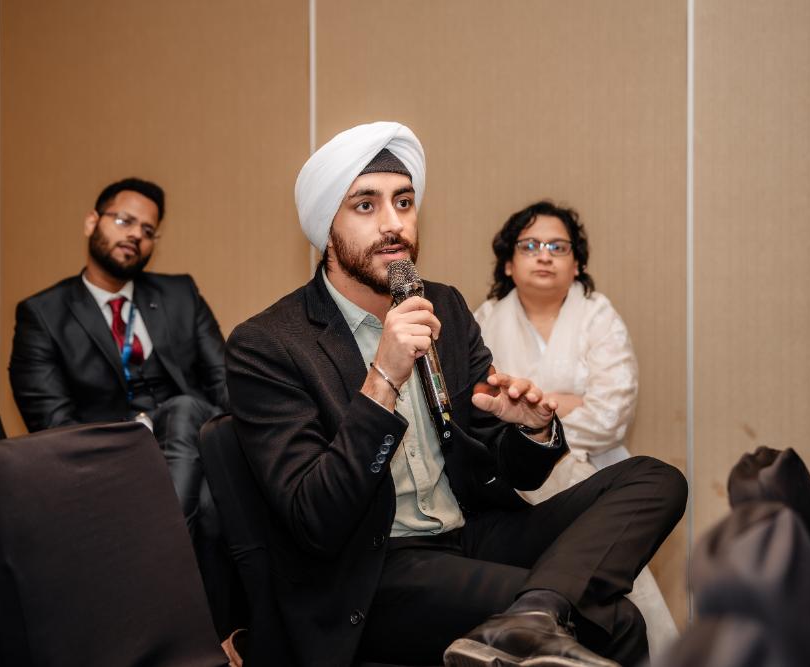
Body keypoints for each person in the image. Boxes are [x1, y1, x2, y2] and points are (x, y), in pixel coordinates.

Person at [226, 121, 687, 667]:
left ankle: (535, 613)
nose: (394, 223)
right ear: (327, 228)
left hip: (471, 532)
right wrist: (383, 378)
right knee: (618, 622)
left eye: (404, 202)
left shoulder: (442, 304)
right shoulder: (268, 344)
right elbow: (316, 519)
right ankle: (535, 615)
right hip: (372, 569)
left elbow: (511, 470)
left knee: (656, 479)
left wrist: (531, 429)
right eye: (366, 206)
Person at [8, 177, 231, 631]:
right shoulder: (43, 314)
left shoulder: (180, 294)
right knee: (211, 509)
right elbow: (52, 423)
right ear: (92, 222)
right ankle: (207, 632)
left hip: (194, 436)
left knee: (185, 410)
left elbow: (225, 383)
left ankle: (156, 588)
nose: (136, 236)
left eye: (148, 231)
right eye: (125, 221)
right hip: (111, 456)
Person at [474, 201, 678, 658]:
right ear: (508, 263)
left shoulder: (597, 315)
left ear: (577, 263)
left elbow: (611, 416)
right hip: (515, 490)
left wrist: (532, 415)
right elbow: (483, 415)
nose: (543, 256)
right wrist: (565, 402)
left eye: (557, 247)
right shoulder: (484, 320)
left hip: (598, 477)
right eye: (530, 245)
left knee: (615, 584)